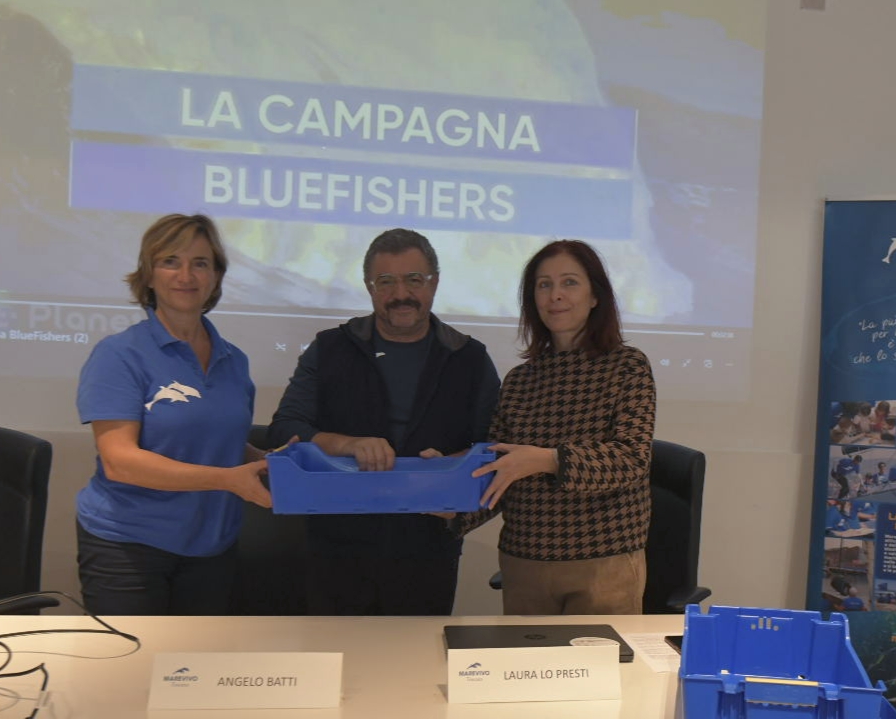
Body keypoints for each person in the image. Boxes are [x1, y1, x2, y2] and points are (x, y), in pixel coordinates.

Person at [267, 228, 499, 615]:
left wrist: (452, 468)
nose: (400, 294)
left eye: (414, 279)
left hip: (429, 552)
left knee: (418, 655)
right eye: (386, 281)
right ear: (369, 287)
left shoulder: (470, 358)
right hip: (336, 551)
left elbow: (494, 445)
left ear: (434, 283)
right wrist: (348, 444)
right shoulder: (330, 348)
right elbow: (284, 428)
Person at [75, 214, 270, 615]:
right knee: (133, 658)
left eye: (200, 263)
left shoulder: (234, 360)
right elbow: (119, 461)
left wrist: (268, 461)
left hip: (212, 547)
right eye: (170, 262)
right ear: (148, 274)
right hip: (128, 546)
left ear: (216, 276)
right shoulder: (119, 354)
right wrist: (227, 480)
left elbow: (214, 438)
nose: (186, 275)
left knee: (200, 658)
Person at [454, 239, 655, 615]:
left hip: (603, 564)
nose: (555, 295)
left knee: (602, 658)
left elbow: (631, 459)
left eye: (569, 283)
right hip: (524, 562)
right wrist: (446, 493)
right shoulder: (519, 380)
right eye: (543, 285)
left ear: (595, 296)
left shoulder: (627, 366)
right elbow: (500, 468)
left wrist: (548, 460)